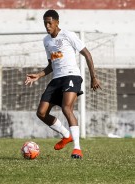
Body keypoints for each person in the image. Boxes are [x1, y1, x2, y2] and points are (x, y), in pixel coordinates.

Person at [25, 9, 101, 159]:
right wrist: (38, 75)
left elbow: (87, 54)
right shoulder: (46, 40)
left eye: (50, 23)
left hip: (72, 76)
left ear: (57, 22)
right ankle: (66, 135)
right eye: (45, 23)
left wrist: (93, 77)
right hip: (57, 79)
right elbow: (51, 65)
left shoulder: (68, 35)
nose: (47, 26)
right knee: (41, 113)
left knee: (67, 108)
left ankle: (77, 149)